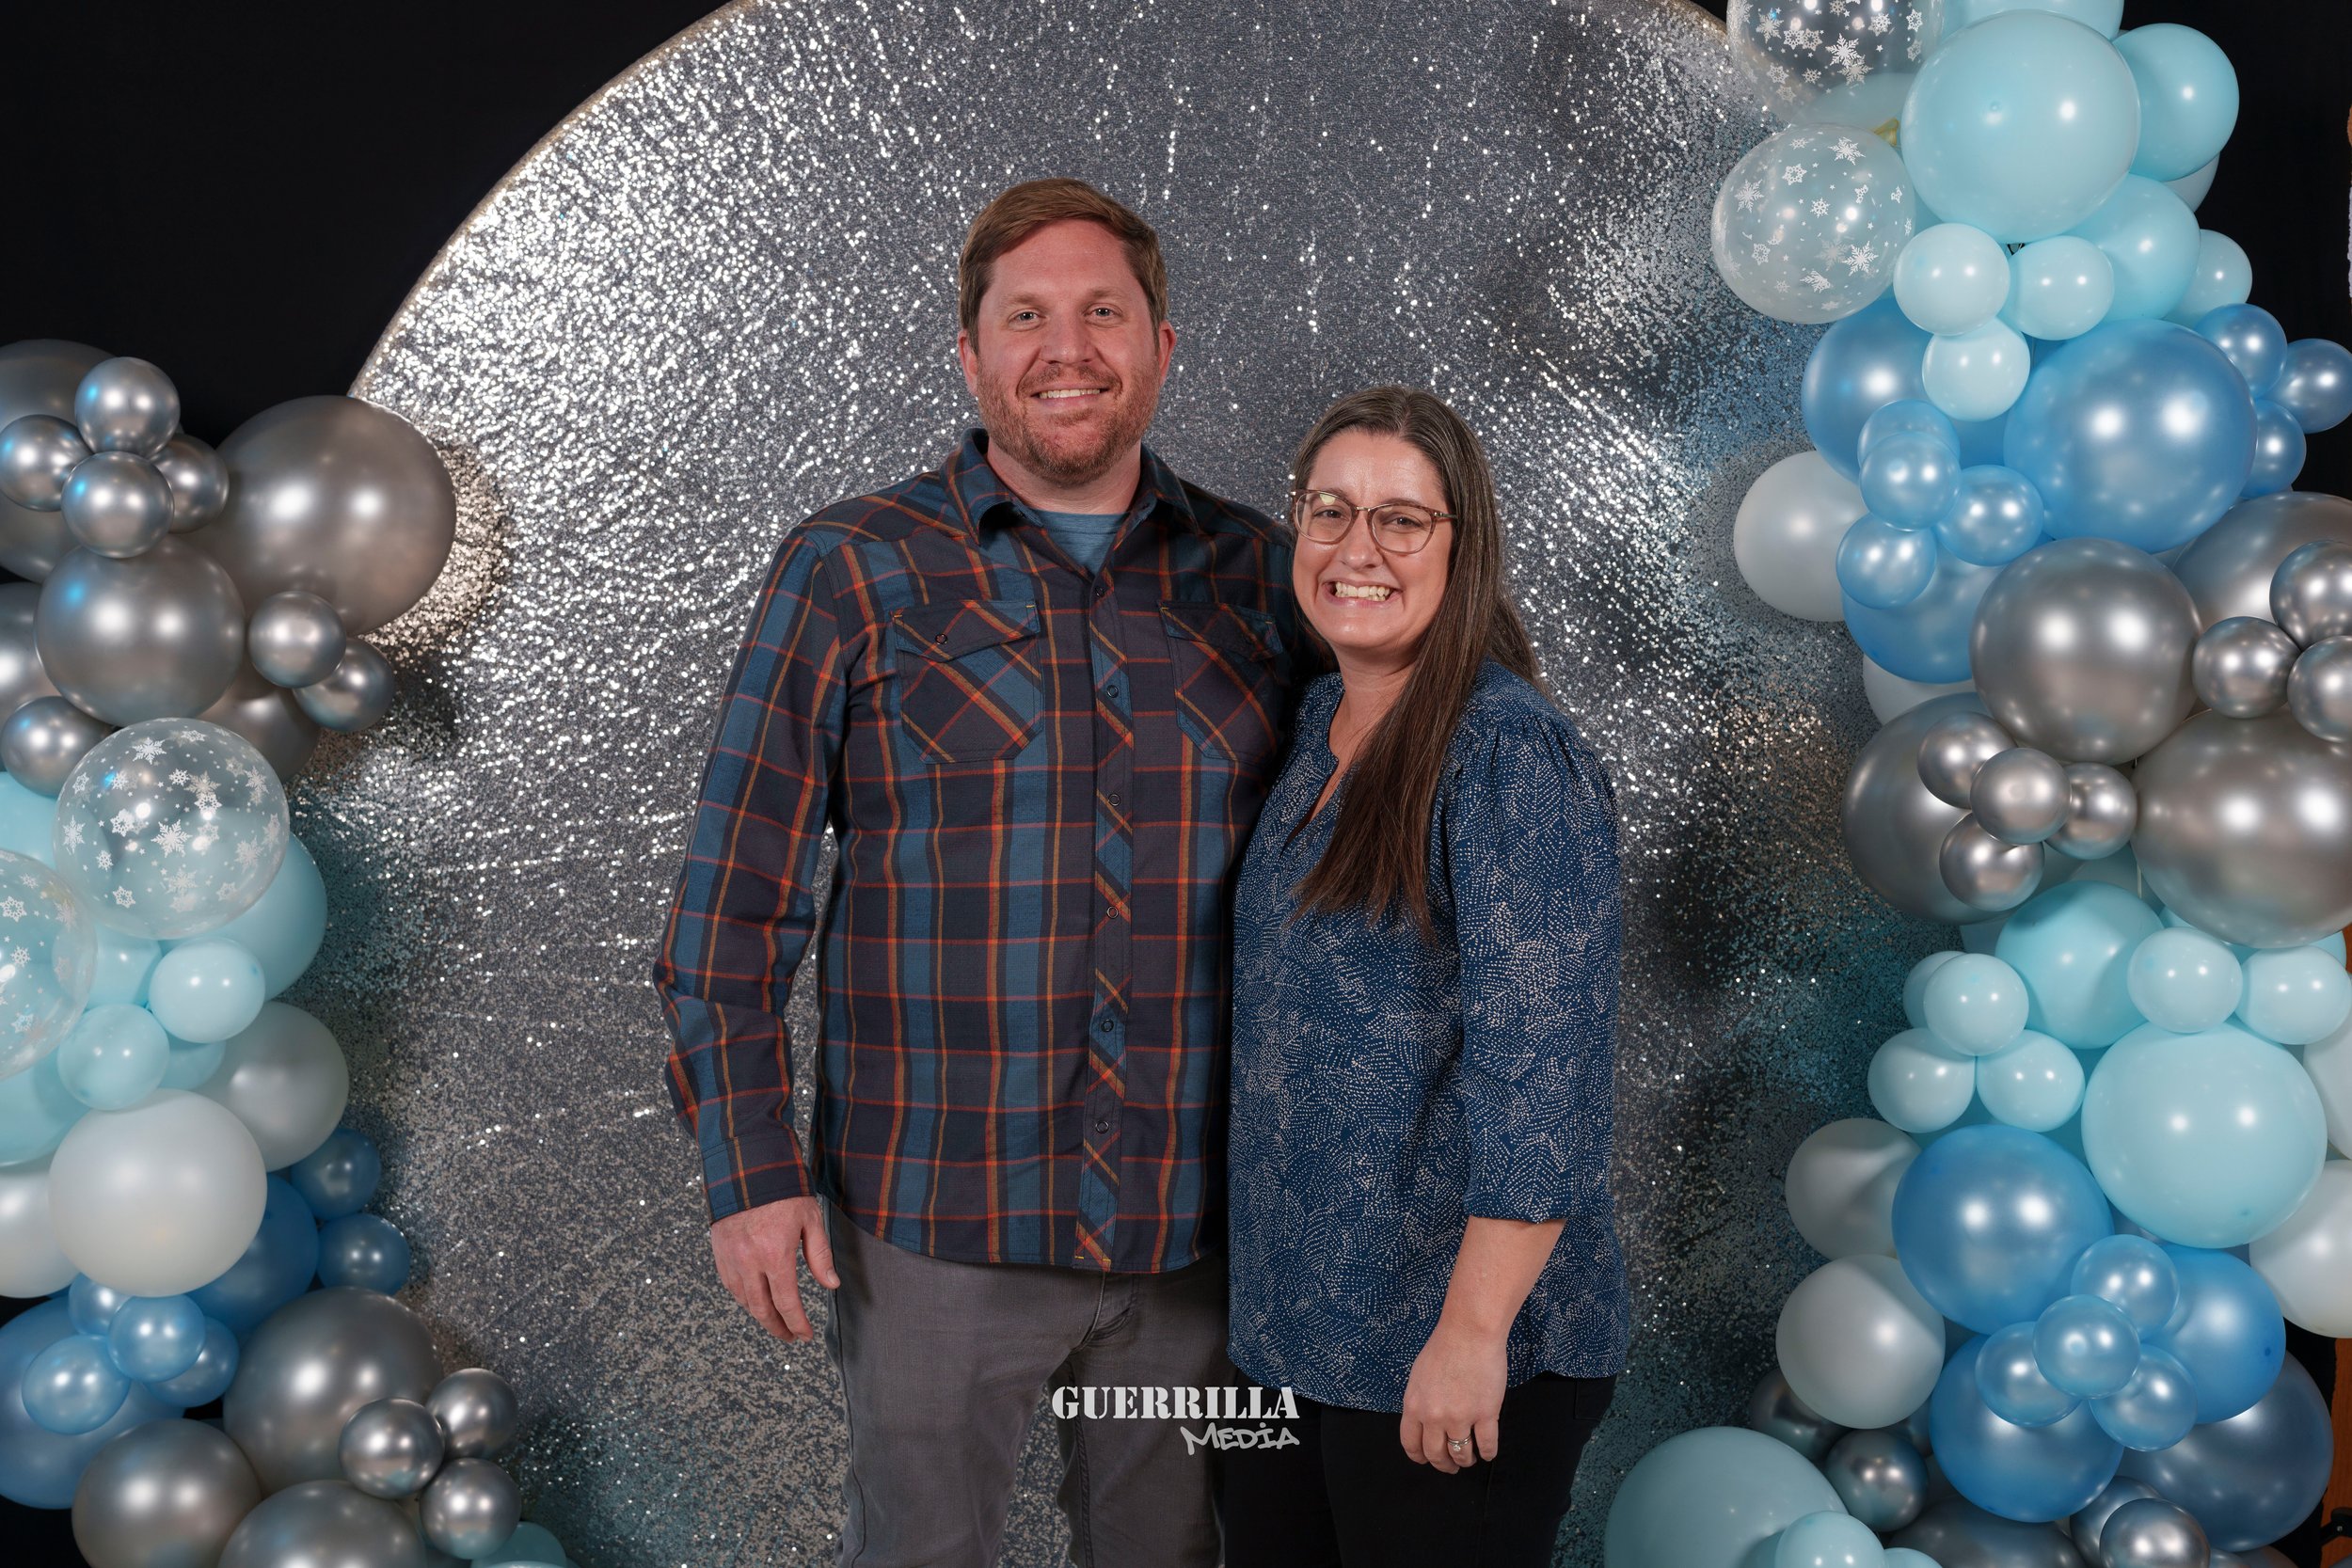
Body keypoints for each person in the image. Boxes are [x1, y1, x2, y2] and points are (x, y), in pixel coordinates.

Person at [653, 178, 1302, 1568]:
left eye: (1102, 311)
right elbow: (733, 900)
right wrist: (750, 1170)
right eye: (1027, 316)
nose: (1066, 348)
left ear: (1163, 344)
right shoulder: (853, 567)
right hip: (936, 1225)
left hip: (1201, 1240)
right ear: (971, 354)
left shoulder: (1264, 576)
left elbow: (1353, 881)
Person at [1214, 386, 1630, 1568]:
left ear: (1465, 543)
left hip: (1444, 1343)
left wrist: (1470, 1330)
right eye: (1329, 510)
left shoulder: (1504, 752)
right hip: (1295, 1333)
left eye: (1402, 520)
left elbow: (1541, 1079)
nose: (1356, 549)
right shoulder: (1311, 725)